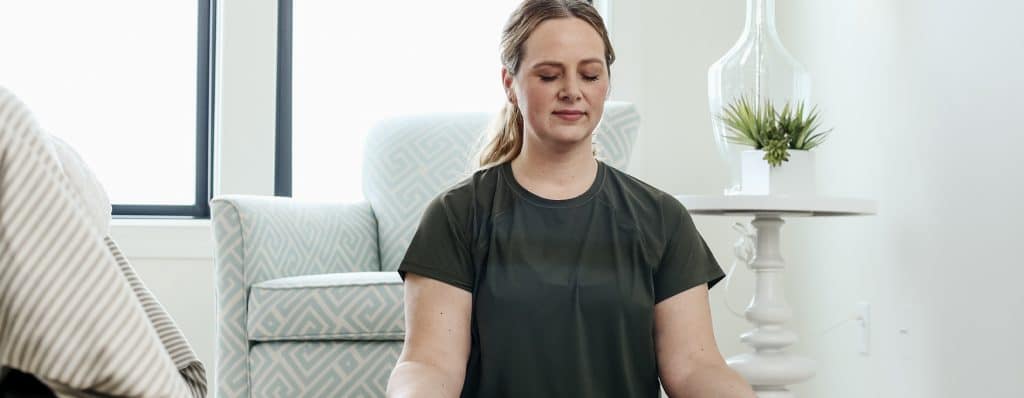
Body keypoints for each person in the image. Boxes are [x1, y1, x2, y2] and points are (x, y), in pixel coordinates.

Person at [386, 1, 755, 397]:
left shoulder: (662, 218)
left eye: (590, 74)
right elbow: (429, 363)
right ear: (509, 84)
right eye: (548, 76)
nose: (572, 91)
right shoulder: (456, 216)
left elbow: (695, 366)